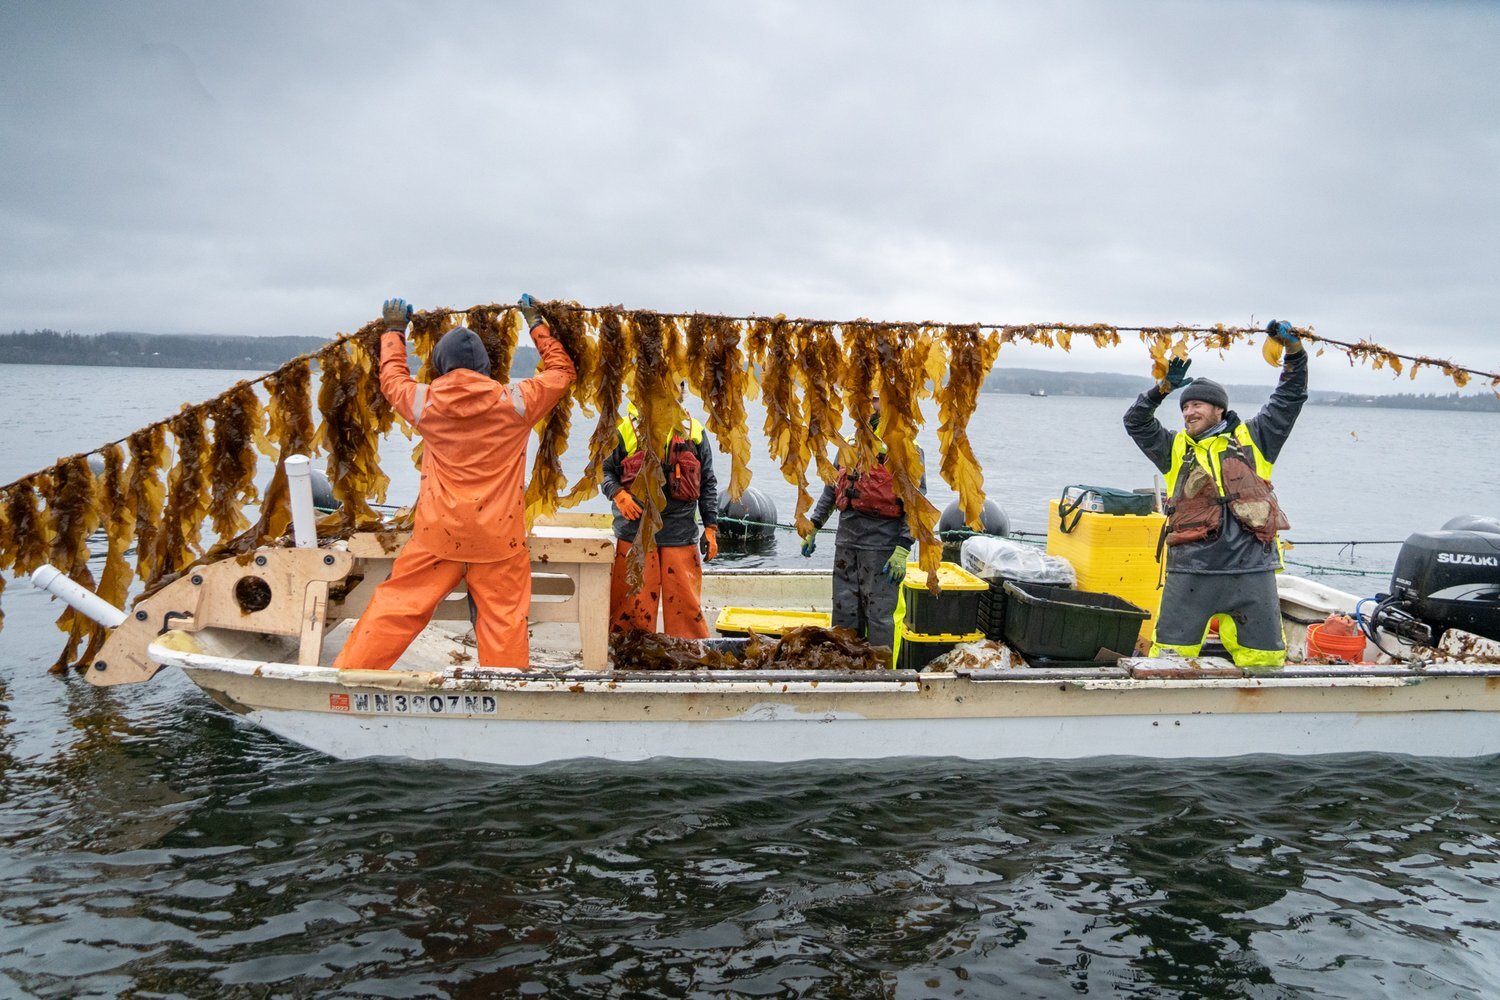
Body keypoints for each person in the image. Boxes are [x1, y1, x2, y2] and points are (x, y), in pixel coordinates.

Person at [333, 295, 576, 670]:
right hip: (499, 540)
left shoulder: (424, 402)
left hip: (438, 536)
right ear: (484, 366)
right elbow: (561, 372)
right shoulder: (517, 401)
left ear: (441, 366)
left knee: (396, 609)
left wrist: (394, 330)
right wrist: (537, 325)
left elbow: (392, 378)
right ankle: (507, 694)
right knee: (504, 623)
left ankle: (349, 676)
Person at [1123, 320, 1308, 668]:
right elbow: (1135, 421)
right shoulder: (1174, 448)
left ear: (1219, 410)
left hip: (1252, 570)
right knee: (1170, 661)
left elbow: (1289, 398)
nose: (1189, 412)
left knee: (1264, 661)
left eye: (1198, 406)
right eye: (1185, 407)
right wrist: (1161, 389)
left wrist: (1295, 353)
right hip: (1192, 571)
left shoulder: (1256, 440)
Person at [800, 397, 926, 650]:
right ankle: (846, 670)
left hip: (882, 548)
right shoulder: (849, 444)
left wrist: (902, 549)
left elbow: (917, 505)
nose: (872, 406)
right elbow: (831, 488)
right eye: (868, 400)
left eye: (878, 401)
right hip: (847, 543)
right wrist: (813, 526)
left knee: (879, 617)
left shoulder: (907, 448)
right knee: (844, 612)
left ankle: (882, 676)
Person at [601, 385, 719, 637]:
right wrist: (618, 494)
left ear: (680, 393)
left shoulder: (694, 431)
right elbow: (605, 472)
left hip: (680, 533)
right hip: (634, 535)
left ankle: (689, 658)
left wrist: (711, 527)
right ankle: (629, 660)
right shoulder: (623, 429)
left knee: (687, 610)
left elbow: (708, 481)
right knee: (631, 612)